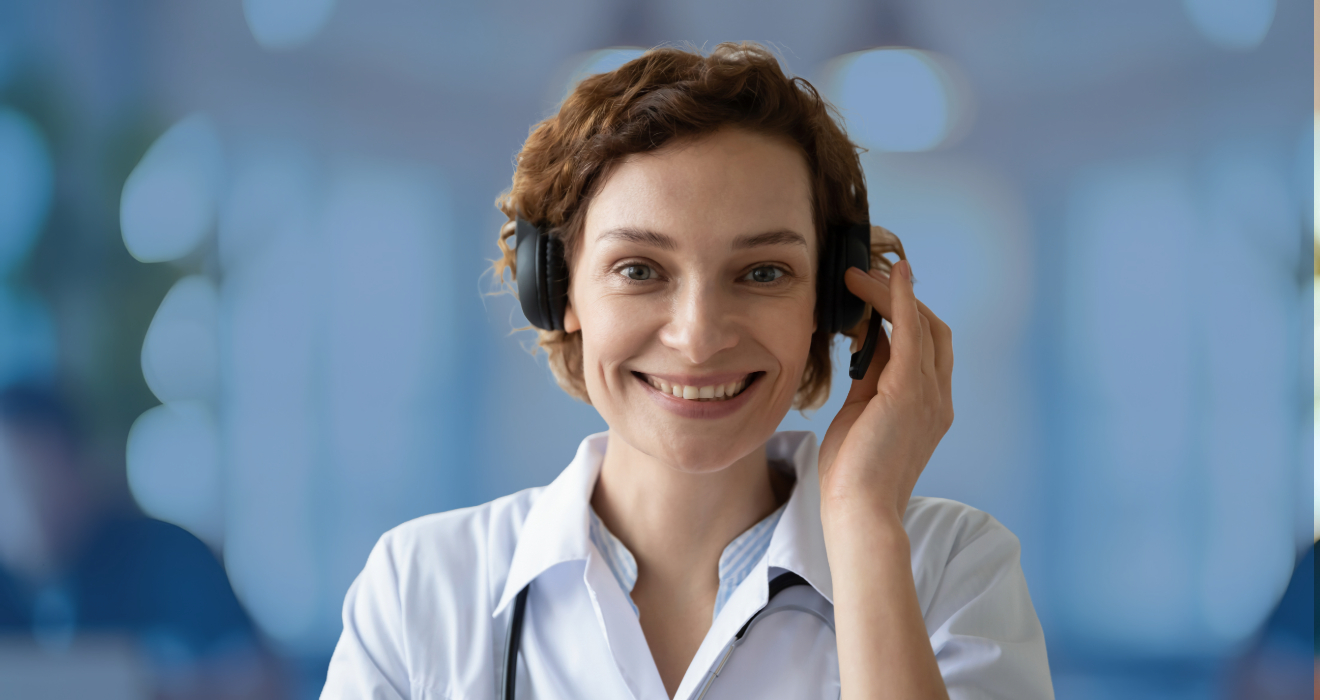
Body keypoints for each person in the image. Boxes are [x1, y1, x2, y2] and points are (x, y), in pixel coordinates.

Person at [322, 42, 1053, 700]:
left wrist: (864, 523)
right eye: (640, 269)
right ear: (557, 290)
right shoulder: (421, 586)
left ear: (830, 300)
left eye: (763, 272)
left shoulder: (951, 569)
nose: (699, 337)